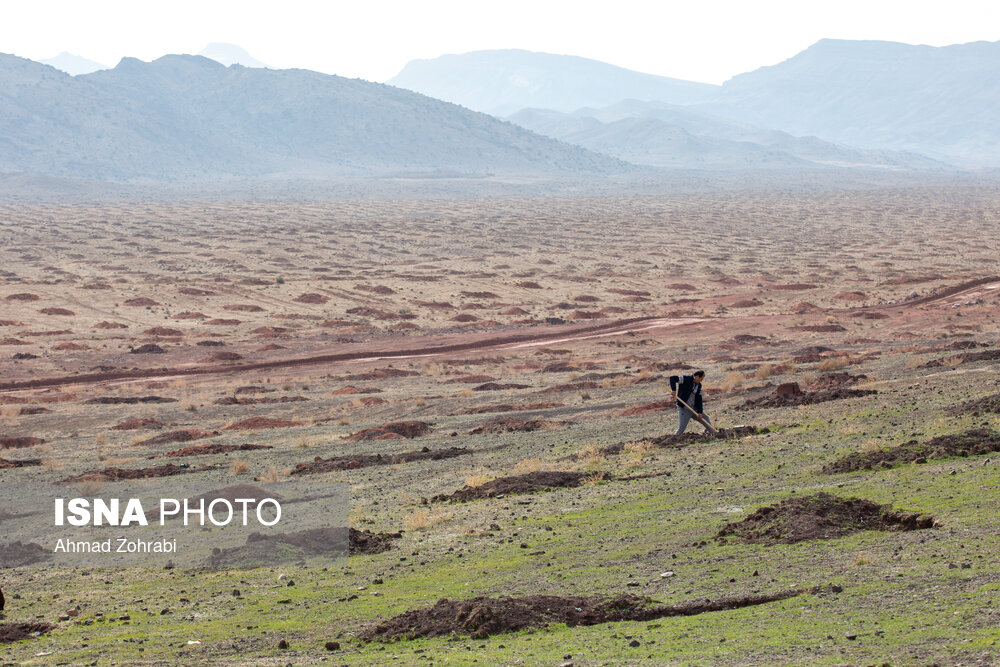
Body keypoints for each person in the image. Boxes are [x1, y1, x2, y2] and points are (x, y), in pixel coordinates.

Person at [669, 370, 712, 434]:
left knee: (706, 419)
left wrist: (700, 412)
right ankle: (673, 440)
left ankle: (713, 434)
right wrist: (674, 390)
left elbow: (699, 399)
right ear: (697, 377)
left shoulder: (698, 385)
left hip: (693, 409)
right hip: (684, 409)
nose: (701, 381)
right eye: (701, 379)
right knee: (681, 428)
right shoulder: (685, 379)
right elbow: (672, 378)